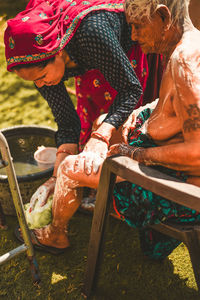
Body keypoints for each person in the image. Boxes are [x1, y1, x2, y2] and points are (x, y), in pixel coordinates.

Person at [13, 0, 200, 260]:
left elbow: (198, 153)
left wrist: (135, 154)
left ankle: (56, 234)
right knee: (102, 122)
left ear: (163, 17)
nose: (133, 36)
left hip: (181, 189)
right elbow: (176, 110)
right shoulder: (191, 47)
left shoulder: (183, 64)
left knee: (71, 170)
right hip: (166, 160)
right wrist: (137, 116)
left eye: (136, 26)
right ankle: (78, 191)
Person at [4, 0, 163, 213]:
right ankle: (94, 182)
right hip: (87, 56)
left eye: (42, 76)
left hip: (120, 51)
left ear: (59, 51)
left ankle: (131, 191)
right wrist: (54, 178)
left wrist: (101, 136)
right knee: (92, 115)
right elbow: (68, 124)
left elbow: (131, 89)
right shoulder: (40, 67)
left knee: (120, 126)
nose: (41, 85)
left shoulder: (92, 33)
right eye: (34, 81)